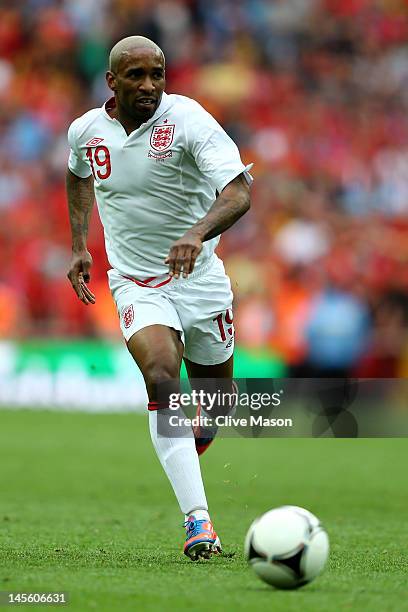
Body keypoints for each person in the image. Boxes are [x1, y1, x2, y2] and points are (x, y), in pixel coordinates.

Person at [66, 35, 252, 561]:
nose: (149, 85)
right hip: (135, 282)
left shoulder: (188, 119)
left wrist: (196, 233)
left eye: (157, 74)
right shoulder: (87, 130)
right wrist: (81, 245)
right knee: (163, 379)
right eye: (136, 75)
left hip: (200, 279)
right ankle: (200, 524)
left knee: (216, 406)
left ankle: (194, 440)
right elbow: (78, 173)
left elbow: (239, 190)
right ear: (112, 81)